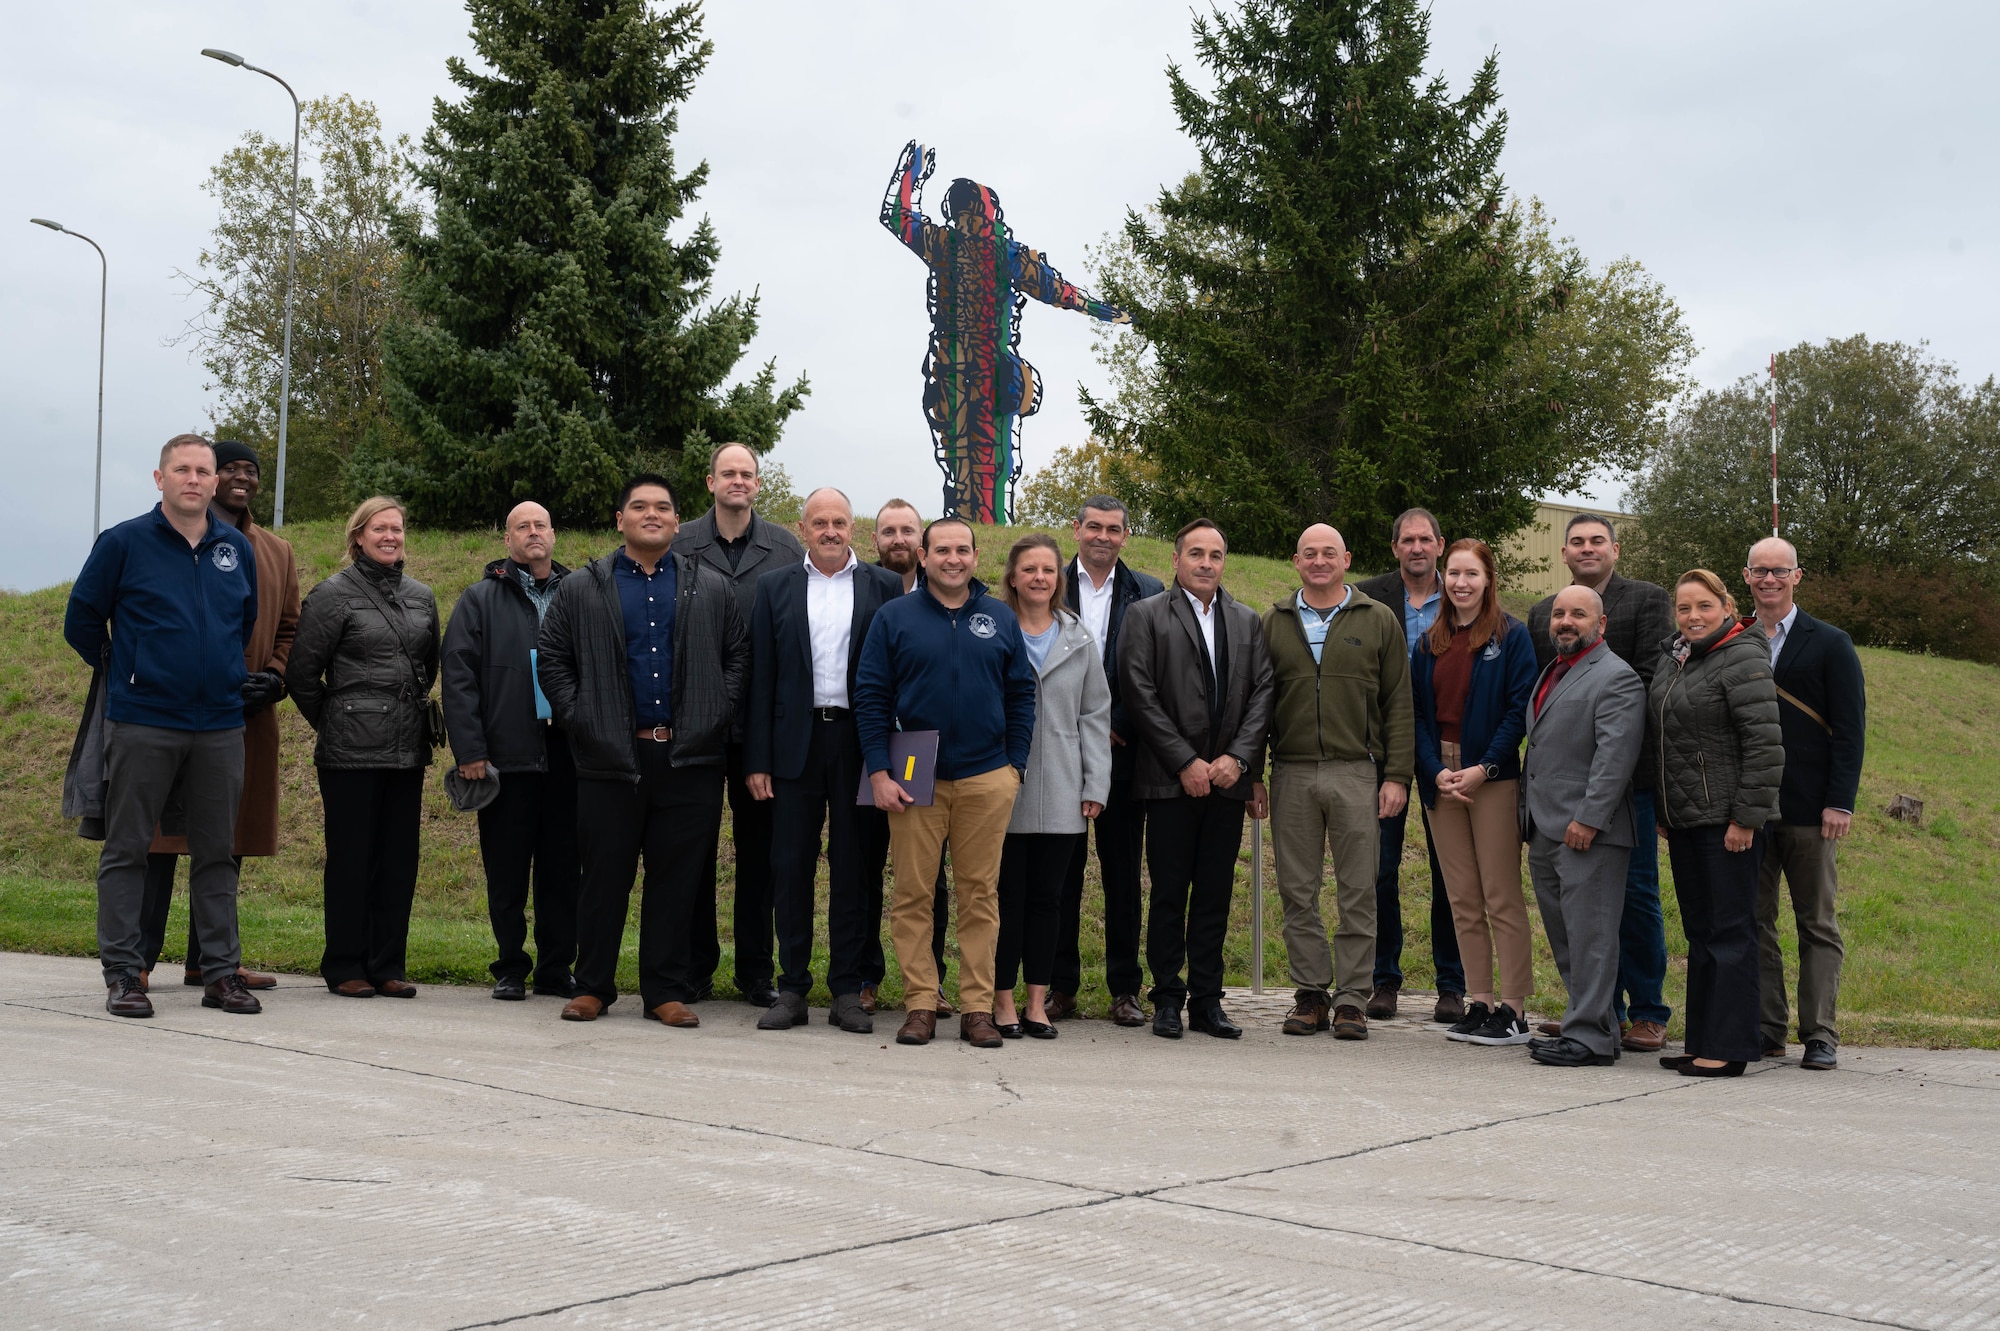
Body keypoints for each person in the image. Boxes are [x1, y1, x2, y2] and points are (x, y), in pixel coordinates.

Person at [535, 474, 748, 1027]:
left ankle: (664, 990)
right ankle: (593, 987)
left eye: (662, 508)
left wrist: (713, 714)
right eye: (639, 506)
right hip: (610, 759)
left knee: (677, 881)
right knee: (604, 878)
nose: (651, 514)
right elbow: (553, 657)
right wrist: (581, 719)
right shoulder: (583, 587)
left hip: (689, 758)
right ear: (620, 519)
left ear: (678, 522)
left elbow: (737, 658)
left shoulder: (713, 587)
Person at [64, 434, 263, 1017]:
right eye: (183, 469)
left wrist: (224, 679)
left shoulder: (234, 548)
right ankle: (125, 973)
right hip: (144, 721)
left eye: (204, 470)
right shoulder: (123, 542)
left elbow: (242, 622)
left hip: (221, 725)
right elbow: (82, 619)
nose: (195, 479)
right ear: (160, 478)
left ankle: (221, 975)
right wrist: (128, 671)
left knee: (216, 854)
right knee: (128, 848)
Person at [854, 518, 1035, 1049]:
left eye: (962, 550)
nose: (952, 559)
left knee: (980, 895)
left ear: (976, 557)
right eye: (942, 550)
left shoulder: (999, 618)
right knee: (912, 894)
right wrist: (878, 771)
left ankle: (978, 1009)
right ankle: (920, 1005)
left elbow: (1021, 695)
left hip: (986, 776)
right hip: (913, 773)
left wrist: (1013, 767)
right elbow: (870, 696)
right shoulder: (894, 618)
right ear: (924, 557)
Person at [743, 488, 905, 1035]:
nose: (830, 530)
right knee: (790, 866)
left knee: (855, 868)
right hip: (795, 744)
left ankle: (846, 990)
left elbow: (897, 676)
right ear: (803, 527)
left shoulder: (884, 586)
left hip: (862, 745)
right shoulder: (774, 587)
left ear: (852, 528)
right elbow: (760, 676)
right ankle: (791, 988)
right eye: (820, 522)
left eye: (839, 521)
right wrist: (757, 759)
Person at [137, 439, 295, 994]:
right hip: (167, 712)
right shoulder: (169, 542)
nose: (240, 478)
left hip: (244, 718)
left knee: (225, 844)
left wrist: (273, 676)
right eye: (228, 468)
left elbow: (287, 627)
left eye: (249, 471)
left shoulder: (275, 549)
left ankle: (210, 962)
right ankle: (138, 961)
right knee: (159, 845)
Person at [1526, 513, 1676, 1053]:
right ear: (1563, 552)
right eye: (1577, 542)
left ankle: (1647, 1012)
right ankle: (1593, 1013)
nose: (1587, 549)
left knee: (1629, 901)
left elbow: (1646, 688)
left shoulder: (1647, 600)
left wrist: (1594, 810)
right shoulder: (1544, 616)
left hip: (1620, 787)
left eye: (1597, 541)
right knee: (1577, 917)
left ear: (1615, 548)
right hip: (1558, 800)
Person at [1257, 524, 1410, 1041]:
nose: (1319, 561)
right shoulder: (1273, 621)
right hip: (1293, 771)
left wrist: (1396, 776)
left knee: (1358, 890)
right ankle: (1309, 995)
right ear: (1295, 561)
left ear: (1346, 558)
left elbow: (1398, 704)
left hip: (1356, 771)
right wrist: (1255, 772)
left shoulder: (1379, 619)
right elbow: (1256, 704)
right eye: (1309, 553)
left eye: (1329, 553)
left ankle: (1351, 999)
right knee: (1297, 890)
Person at [1122, 519, 1273, 1040]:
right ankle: (1167, 998)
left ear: (1223, 562)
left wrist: (1239, 759)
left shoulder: (1247, 620)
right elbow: (1138, 692)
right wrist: (1185, 762)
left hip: (1227, 783)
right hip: (1169, 782)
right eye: (1196, 554)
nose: (1206, 563)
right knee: (1168, 894)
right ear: (1176, 560)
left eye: (1215, 555)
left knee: (1214, 895)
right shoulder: (1144, 615)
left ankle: (1208, 1001)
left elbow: (1263, 695)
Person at [288, 496, 439, 1000]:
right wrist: (338, 721)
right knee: (352, 860)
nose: (390, 537)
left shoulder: (421, 597)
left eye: (397, 528)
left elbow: (428, 667)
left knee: (399, 860)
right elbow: (302, 674)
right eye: (379, 529)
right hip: (349, 752)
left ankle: (388, 965)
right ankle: (346, 965)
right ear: (358, 536)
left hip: (406, 748)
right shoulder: (331, 595)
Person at [673, 442, 805, 1009]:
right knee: (693, 851)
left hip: (762, 727)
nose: (738, 481)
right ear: (710, 482)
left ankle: (756, 971)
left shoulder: (785, 548)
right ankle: (695, 968)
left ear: (758, 483)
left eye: (747, 474)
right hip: (693, 724)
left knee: (761, 855)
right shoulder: (679, 545)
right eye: (728, 473)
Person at [440, 501, 580, 1002]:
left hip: (567, 757)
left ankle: (556, 967)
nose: (532, 533)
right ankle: (510, 967)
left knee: (563, 870)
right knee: (506, 870)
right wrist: (470, 750)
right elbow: (458, 678)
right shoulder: (479, 600)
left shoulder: (579, 592)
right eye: (522, 526)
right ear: (508, 540)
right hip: (505, 757)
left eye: (541, 524)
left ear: (553, 534)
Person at [1650, 569, 1783, 1077]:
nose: (1692, 616)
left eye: (1703, 606)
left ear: (1727, 607)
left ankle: (1729, 1048)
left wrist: (1746, 819)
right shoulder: (1678, 658)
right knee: (1702, 933)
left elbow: (1765, 746)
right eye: (1683, 608)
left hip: (1728, 822)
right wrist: (1666, 812)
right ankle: (1703, 1038)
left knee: (1730, 933)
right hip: (1687, 820)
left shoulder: (1744, 655)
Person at [1412, 539, 1539, 1046]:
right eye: (1455, 574)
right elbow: (1416, 716)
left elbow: (1519, 710)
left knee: (1501, 895)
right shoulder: (1429, 641)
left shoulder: (1512, 637)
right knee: (1462, 898)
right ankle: (1480, 1000)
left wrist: (1484, 768)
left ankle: (1514, 1009)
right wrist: (1433, 769)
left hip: (1492, 777)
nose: (1462, 583)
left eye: (1472, 574)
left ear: (1488, 580)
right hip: (1442, 778)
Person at [1744, 536, 1864, 1071]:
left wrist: (1839, 802)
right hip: (1749, 811)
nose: (1769, 579)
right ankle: (1768, 1029)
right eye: (1759, 571)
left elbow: (1850, 729)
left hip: (1812, 810)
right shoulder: (1733, 639)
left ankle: (1820, 1034)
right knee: (1755, 922)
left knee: (1816, 925)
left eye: (1779, 571)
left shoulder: (1831, 643)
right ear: (1746, 577)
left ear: (1798, 576)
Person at [1518, 586, 1646, 1068]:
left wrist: (1589, 819)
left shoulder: (1616, 677)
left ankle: (1589, 1038)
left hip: (1587, 831)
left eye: (1577, 614)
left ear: (1601, 623)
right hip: (1545, 827)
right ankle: (1596, 1027)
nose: (1565, 621)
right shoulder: (1554, 671)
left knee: (1591, 938)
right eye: (1558, 614)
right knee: (1568, 937)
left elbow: (1615, 758)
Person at [1049, 496, 1162, 1026]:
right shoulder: (1050, 581)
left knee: (1121, 876)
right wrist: (1077, 729)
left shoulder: (1148, 591)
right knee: (1061, 876)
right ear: (1076, 529)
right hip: (1058, 752)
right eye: (1093, 526)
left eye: (1113, 529)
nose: (1102, 536)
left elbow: (1151, 674)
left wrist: (1115, 726)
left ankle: (1124, 989)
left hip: (1124, 752)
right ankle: (1060, 987)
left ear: (1125, 535)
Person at [993, 534, 1112, 1038]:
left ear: (1058, 578)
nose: (1039, 577)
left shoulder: (1077, 636)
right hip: (1001, 785)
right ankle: (999, 1001)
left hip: (1064, 785)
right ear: (1013, 577)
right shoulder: (992, 630)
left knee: (1049, 900)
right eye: (1029, 569)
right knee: (1004, 898)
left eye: (1048, 569)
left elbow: (1094, 714)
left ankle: (1036, 1001)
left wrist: (1096, 784)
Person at [1355, 508, 1466, 1023]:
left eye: (1426, 539)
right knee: (1380, 871)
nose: (1417, 547)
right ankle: (1384, 980)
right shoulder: (1368, 596)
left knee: (1451, 872)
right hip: (1387, 751)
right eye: (1408, 539)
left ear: (1440, 545)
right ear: (1395, 546)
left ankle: (1452, 985)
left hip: (1449, 752)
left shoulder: (1466, 596)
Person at [859, 498, 952, 1018]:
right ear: (876, 540)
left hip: (925, 752)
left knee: (928, 875)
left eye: (907, 530)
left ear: (921, 543)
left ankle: (930, 982)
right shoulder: (862, 589)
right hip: (873, 745)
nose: (898, 539)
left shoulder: (943, 595)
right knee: (867, 863)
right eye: (888, 531)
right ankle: (867, 977)